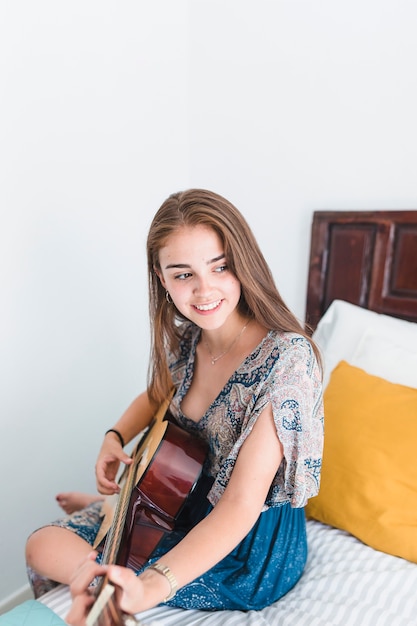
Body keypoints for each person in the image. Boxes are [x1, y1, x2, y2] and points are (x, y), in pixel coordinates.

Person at [26, 189, 324, 624]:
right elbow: (156, 394)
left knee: (80, 555)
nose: (205, 290)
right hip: (180, 500)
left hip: (245, 542)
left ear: (244, 263)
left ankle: (112, 524)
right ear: (161, 278)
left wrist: (149, 587)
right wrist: (115, 437)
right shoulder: (190, 338)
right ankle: (112, 527)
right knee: (42, 544)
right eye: (183, 274)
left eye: (220, 267)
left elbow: (241, 502)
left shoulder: (287, 361)